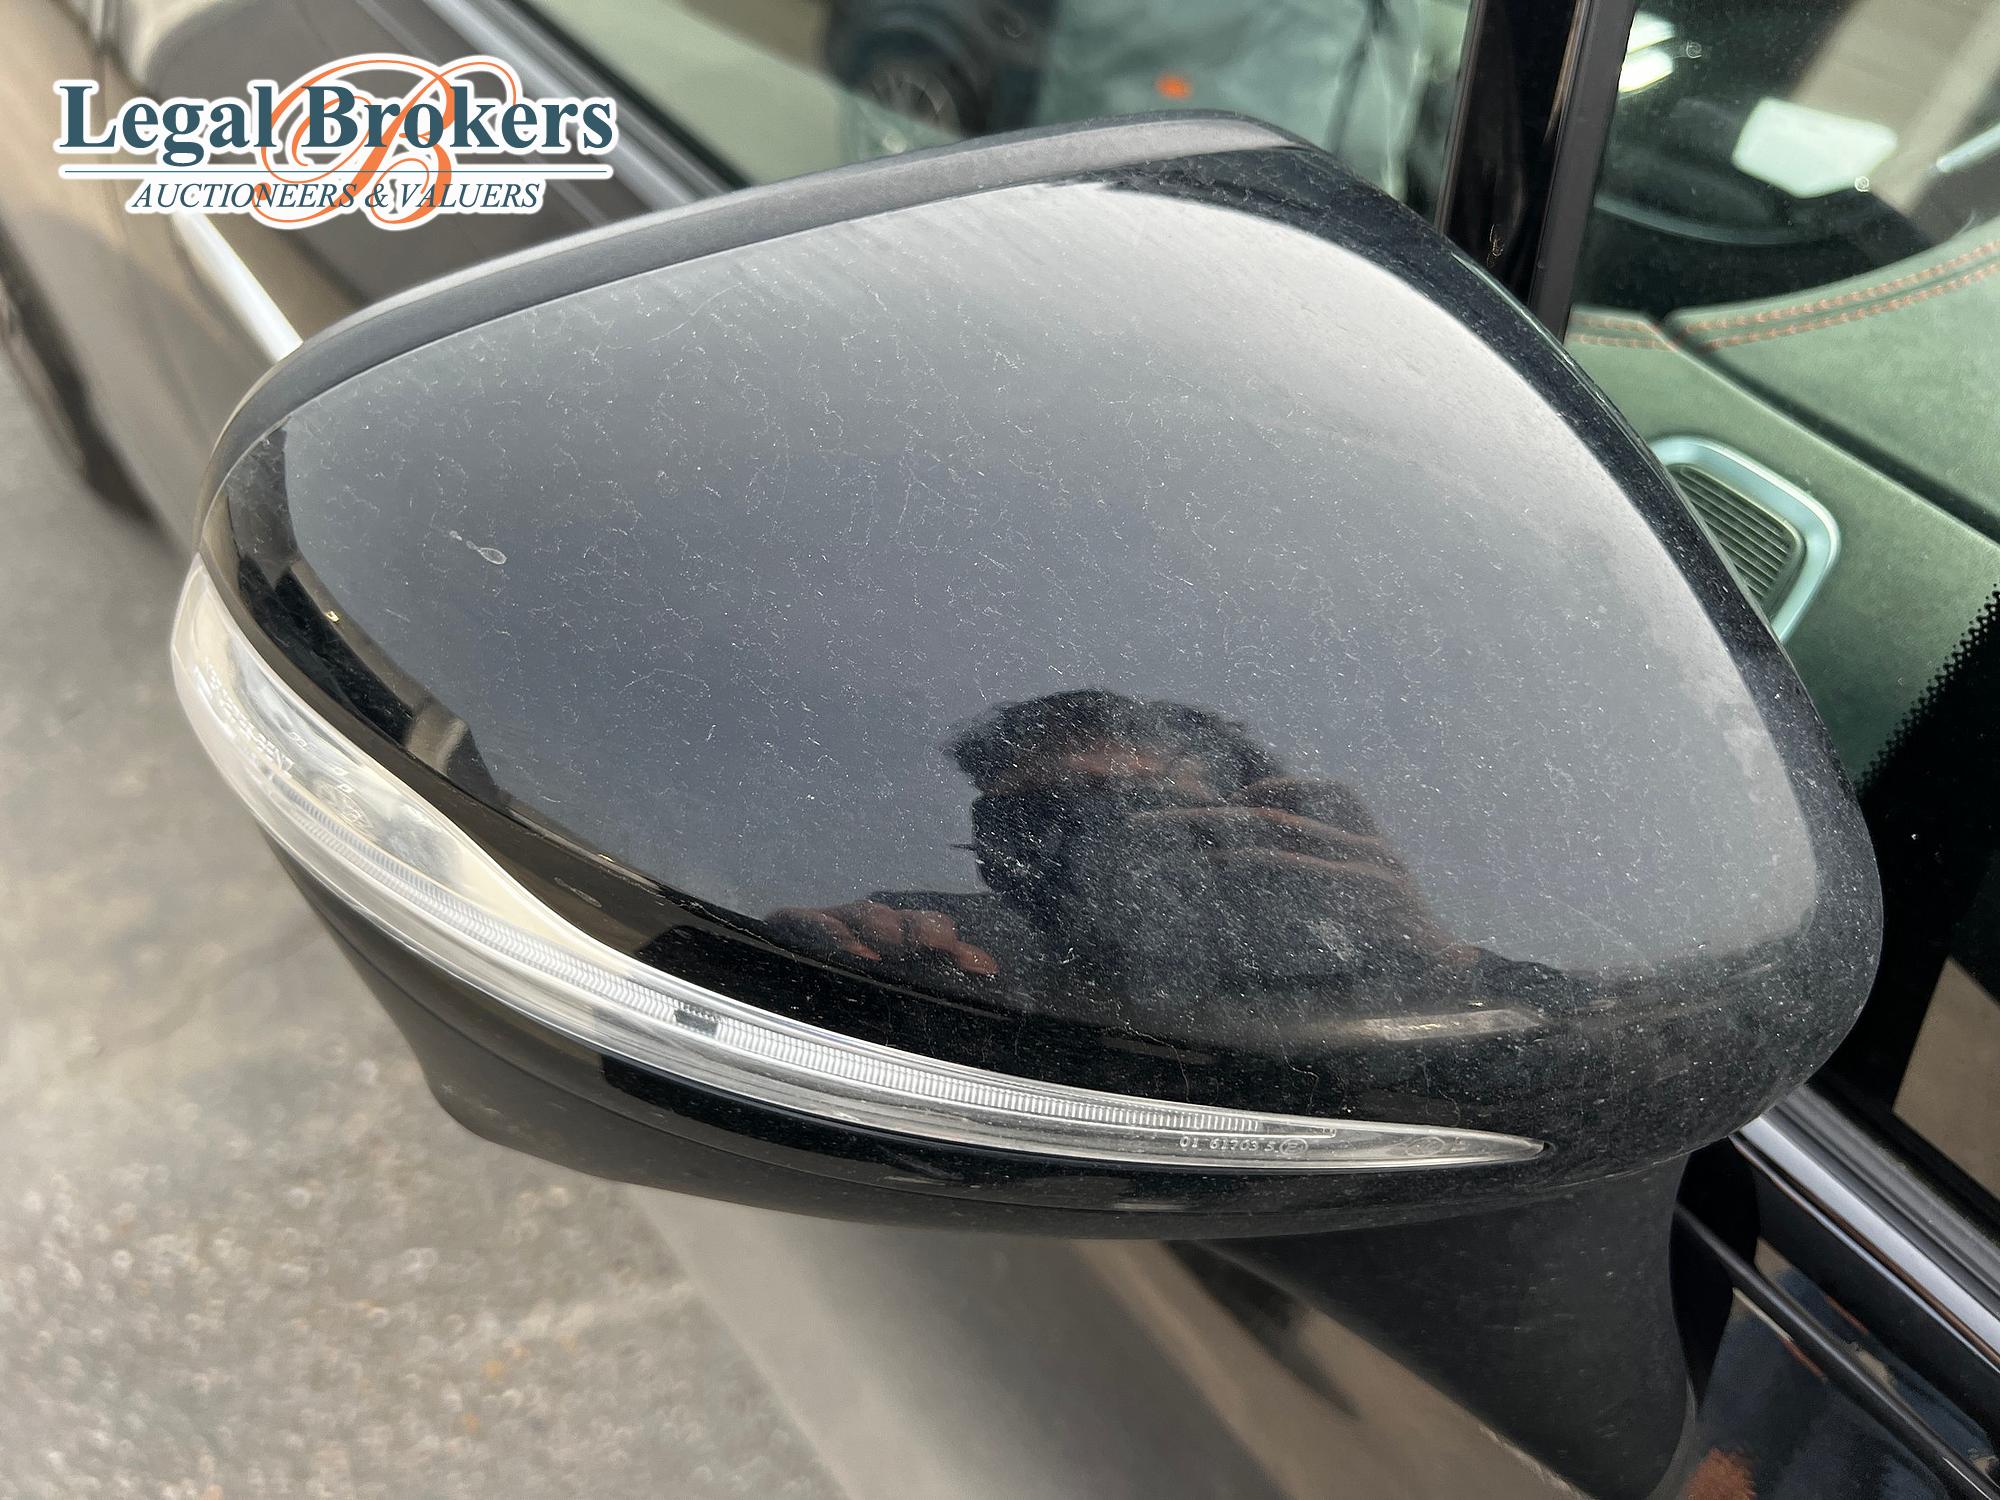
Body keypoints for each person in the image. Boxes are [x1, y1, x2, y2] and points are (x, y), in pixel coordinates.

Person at [766, 688, 1479, 1008]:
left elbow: (1519, 1052)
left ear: (1259, 826)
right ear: (990, 845)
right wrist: (822, 961)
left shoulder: (1343, 953)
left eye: (1141, 809)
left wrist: (1434, 953)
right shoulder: (944, 932)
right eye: (1035, 817)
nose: (1094, 843)